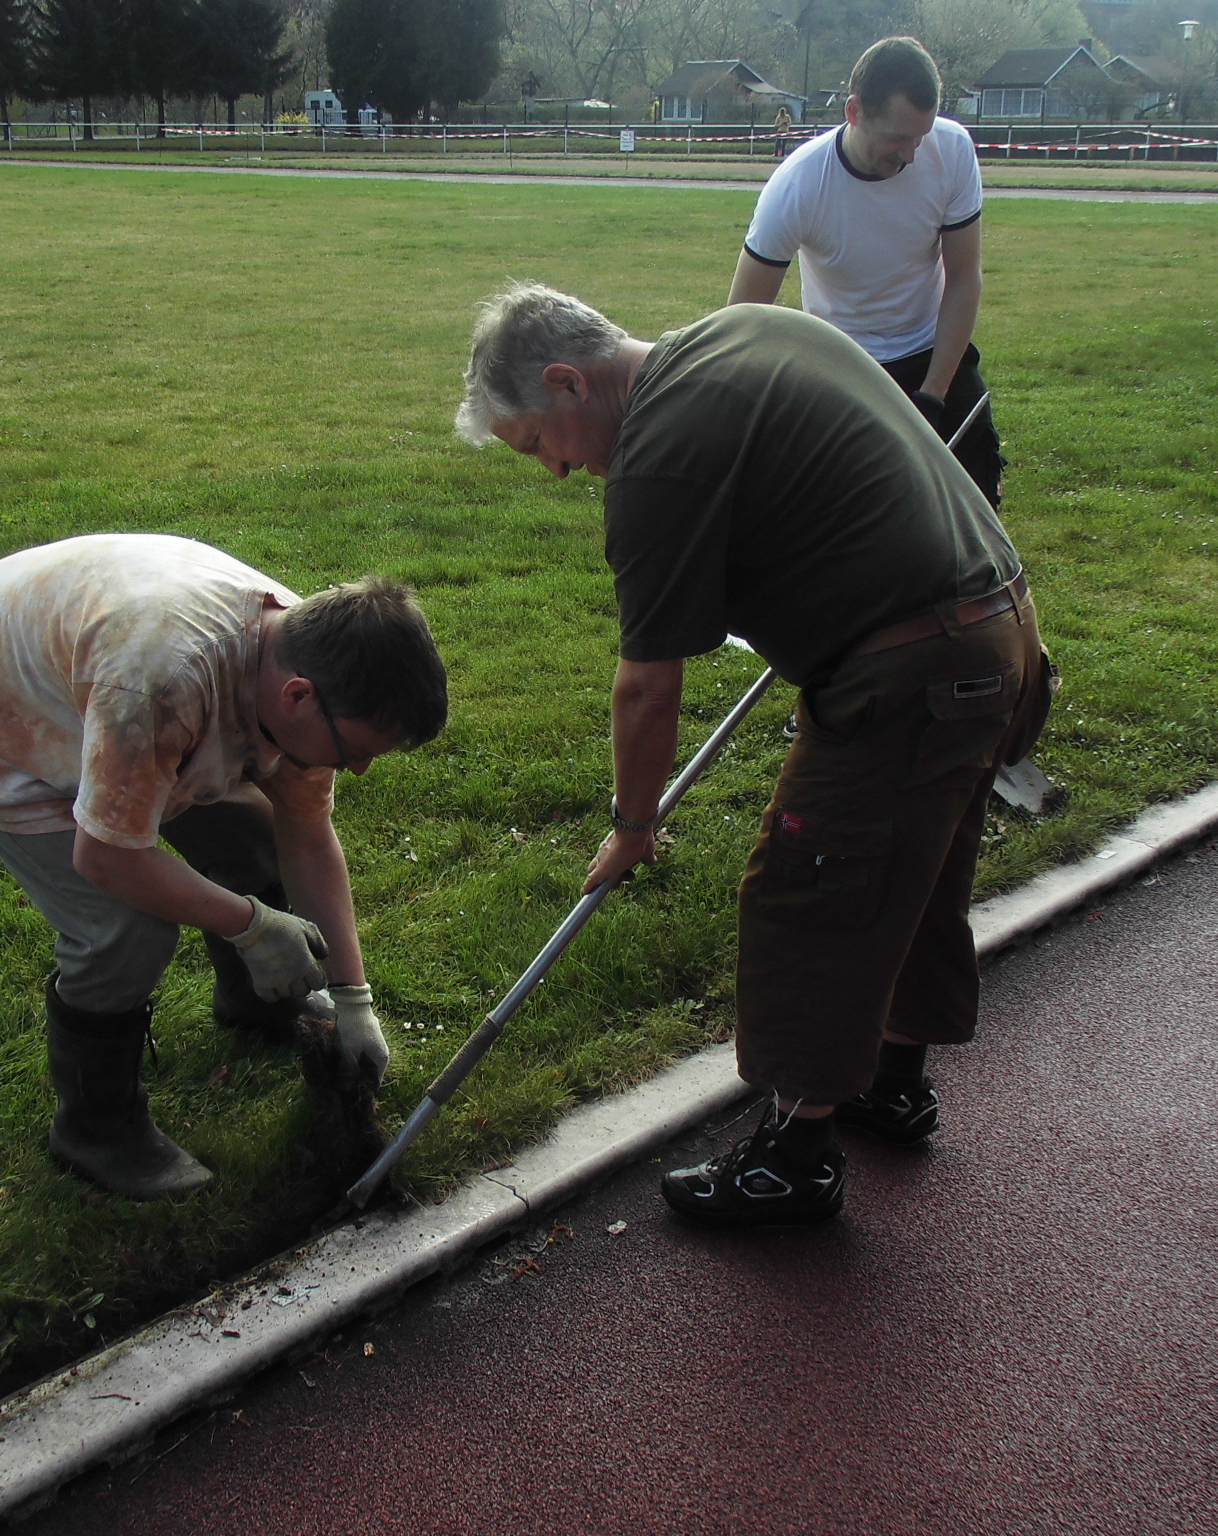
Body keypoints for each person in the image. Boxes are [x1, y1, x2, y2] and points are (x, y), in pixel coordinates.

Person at [456, 283, 1050, 1229]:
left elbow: (647, 687)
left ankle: (795, 1161)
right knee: (909, 873)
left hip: (915, 669)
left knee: (811, 892)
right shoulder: (744, 331)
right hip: (999, 636)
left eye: (539, 445)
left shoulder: (654, 461)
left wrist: (634, 826)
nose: (558, 473)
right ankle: (889, 1087)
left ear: (567, 382)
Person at [0, 534, 448, 1201]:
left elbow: (306, 834)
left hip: (100, 687)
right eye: (354, 749)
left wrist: (354, 1001)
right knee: (125, 928)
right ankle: (96, 1128)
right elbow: (106, 857)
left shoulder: (309, 660)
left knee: (254, 842)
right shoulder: (163, 684)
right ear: (296, 697)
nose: (358, 768)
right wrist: (250, 923)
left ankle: (255, 1000)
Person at [726, 37, 1003, 511]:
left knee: (975, 491)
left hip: (931, 351)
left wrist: (932, 398)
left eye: (920, 136)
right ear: (854, 112)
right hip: (841, 361)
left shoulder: (952, 149)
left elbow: (963, 278)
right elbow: (741, 320)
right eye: (898, 138)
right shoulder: (798, 186)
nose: (913, 153)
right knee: (847, 509)